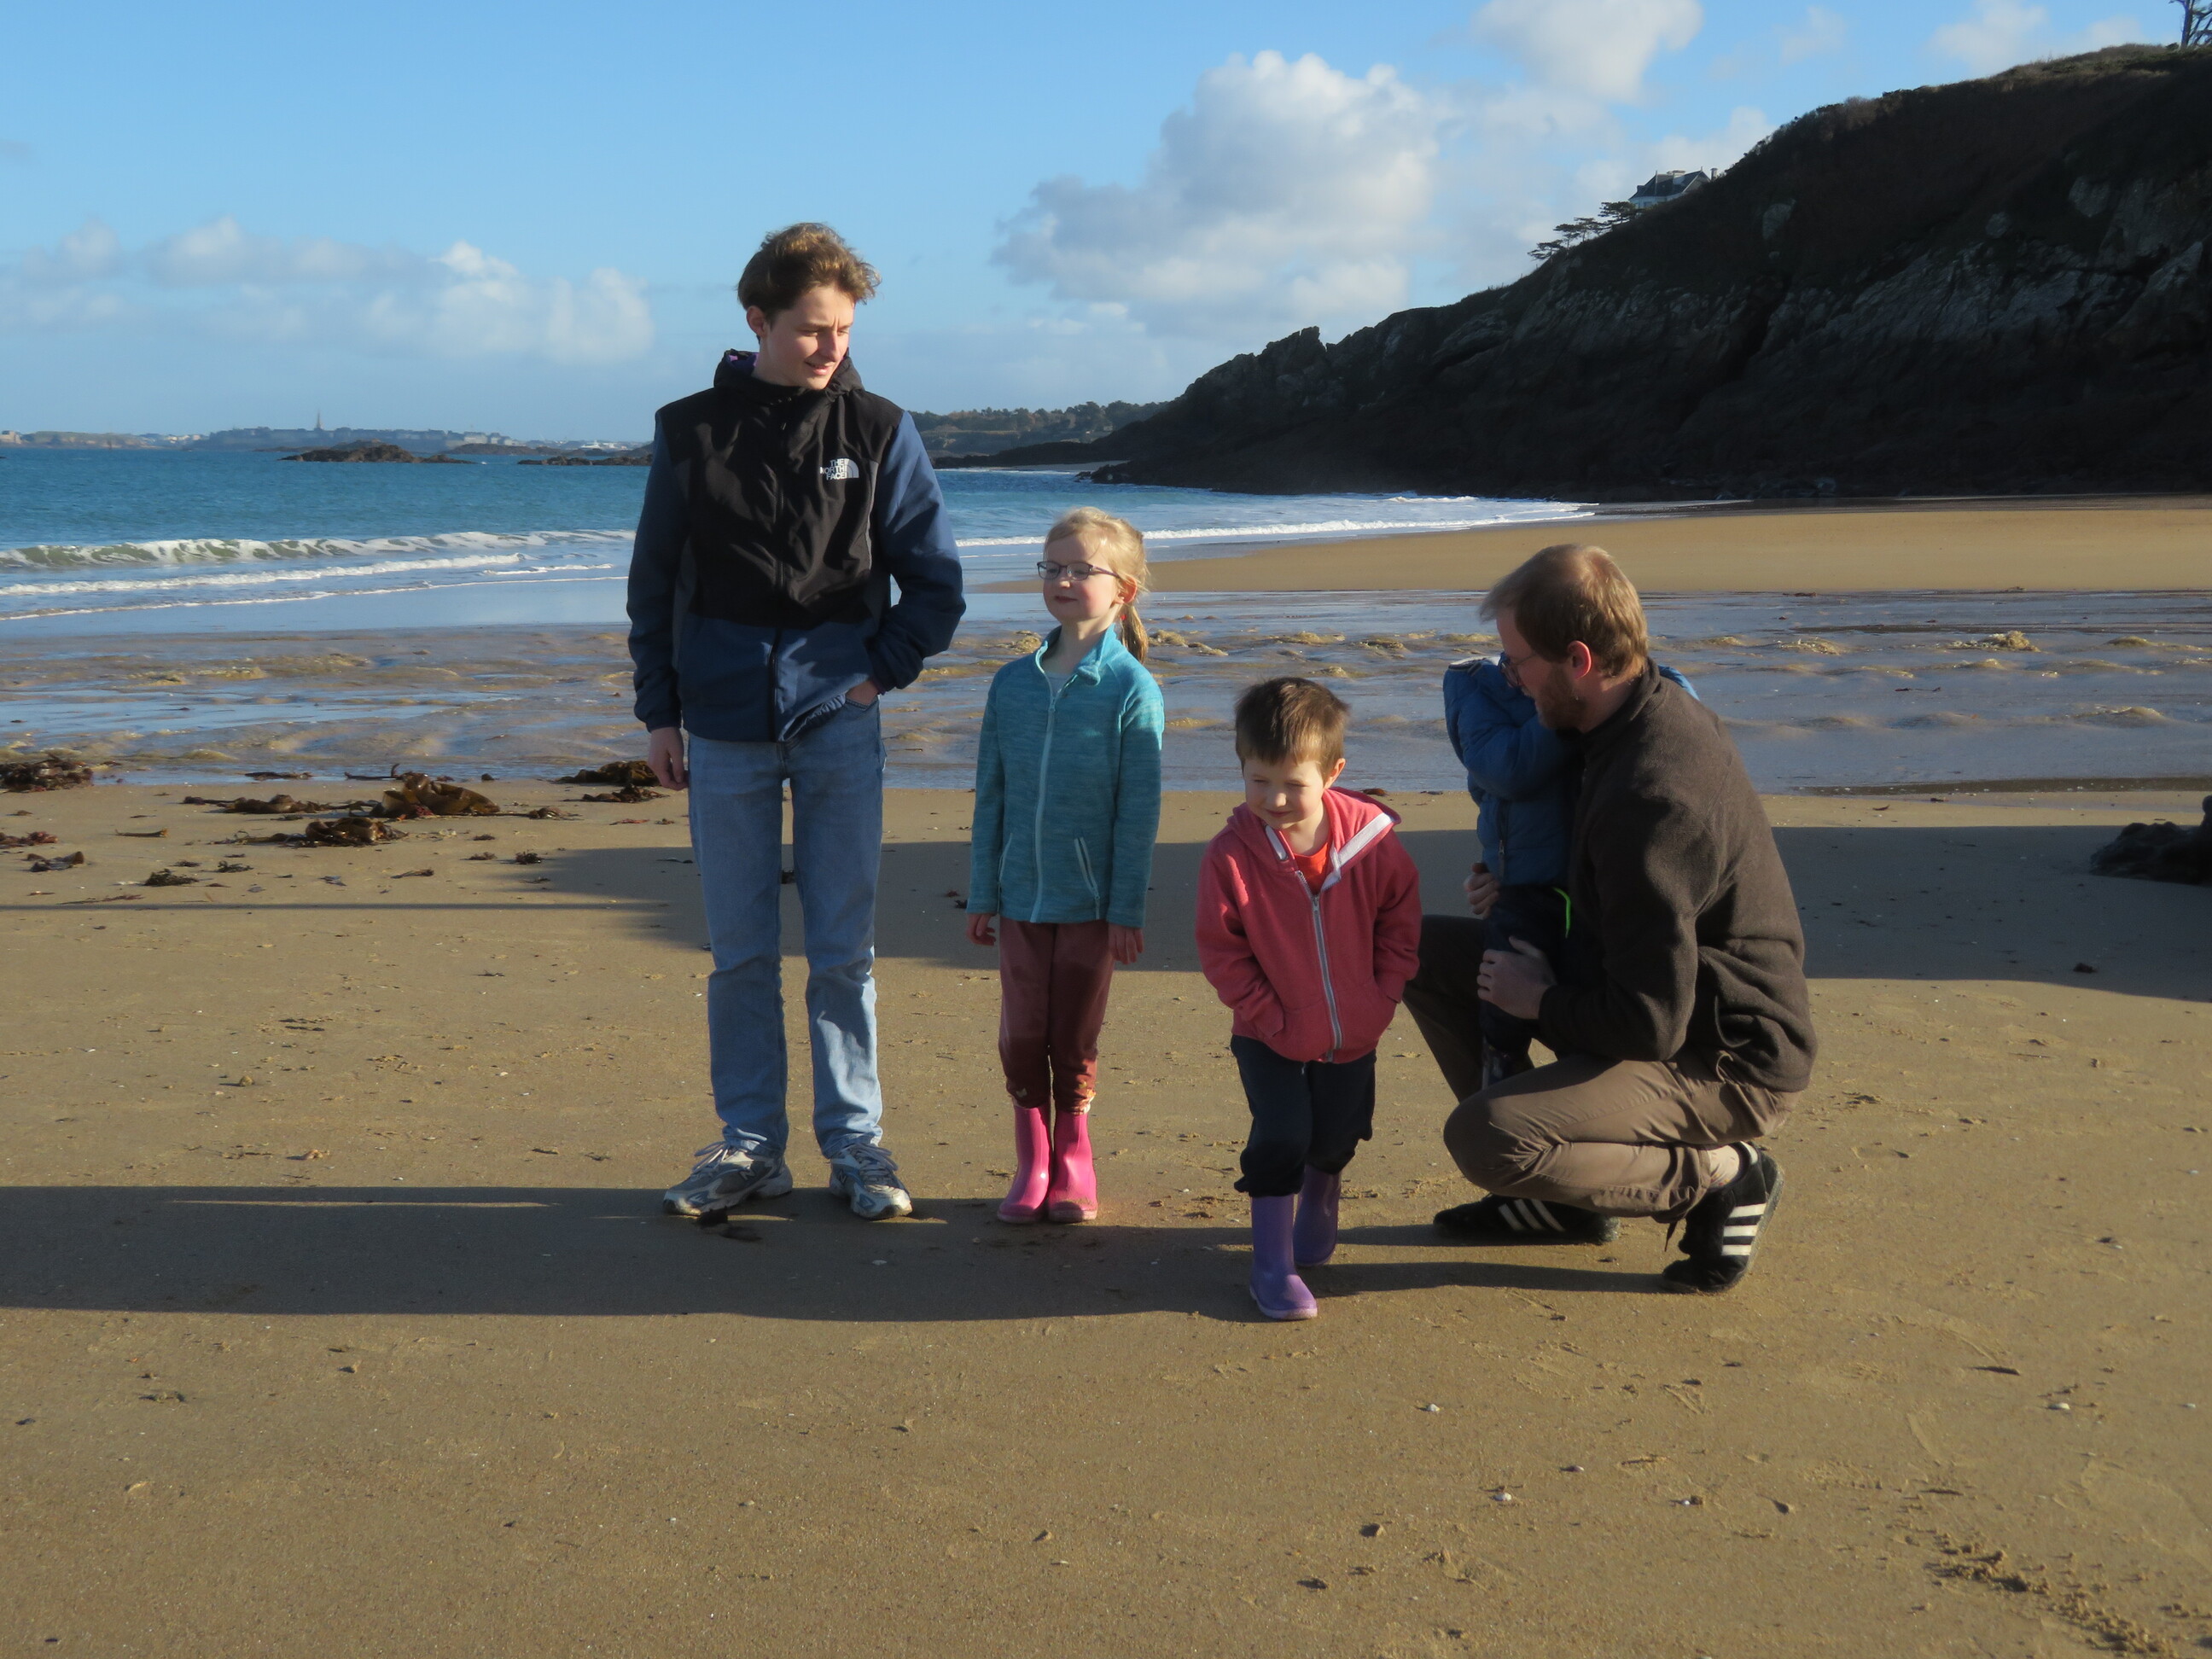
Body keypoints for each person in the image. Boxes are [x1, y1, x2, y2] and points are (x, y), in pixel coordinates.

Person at [630, 223, 965, 1223]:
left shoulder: (881, 429)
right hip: (722, 724)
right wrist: (660, 712)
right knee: (739, 953)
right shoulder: (689, 430)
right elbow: (654, 582)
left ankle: (855, 1144)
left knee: (842, 951)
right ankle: (750, 1146)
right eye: (814, 328)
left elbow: (935, 582)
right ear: (758, 320)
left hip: (838, 721)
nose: (832, 348)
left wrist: (875, 675)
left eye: (845, 330)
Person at [1405, 544, 1814, 1291]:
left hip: (1724, 1056)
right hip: (1643, 996)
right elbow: (1606, 878)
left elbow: (1650, 1023)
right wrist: (1518, 883)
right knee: (1420, 952)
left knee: (1488, 1138)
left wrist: (1538, 1000)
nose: (1512, 681)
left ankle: (1724, 1176)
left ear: (1579, 660)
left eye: (1519, 663)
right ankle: (1561, 1202)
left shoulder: (1652, 794)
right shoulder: (1626, 716)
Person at [1196, 679, 1423, 1320]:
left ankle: (1322, 1194)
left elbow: (1401, 924)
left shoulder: (1372, 846)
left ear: (1333, 773)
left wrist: (1383, 996)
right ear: (1241, 768)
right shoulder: (1230, 856)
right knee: (1281, 1135)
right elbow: (1222, 951)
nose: (1273, 799)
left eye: (1292, 784)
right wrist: (1271, 1017)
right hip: (1267, 1032)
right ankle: (1272, 1264)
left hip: (1356, 1027)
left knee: (1337, 1132)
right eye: (1258, 780)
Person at [964, 508, 1164, 1224]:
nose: (1065, 580)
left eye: (1083, 569)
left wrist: (1126, 908)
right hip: (1019, 894)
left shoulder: (1132, 690)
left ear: (1123, 590)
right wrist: (982, 891)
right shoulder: (1011, 684)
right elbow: (991, 795)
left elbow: (1138, 813)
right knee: (1022, 1033)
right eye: (1053, 567)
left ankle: (1075, 1154)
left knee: (1073, 1036)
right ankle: (1034, 1156)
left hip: (1092, 904)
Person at [1437, 649, 1697, 1094]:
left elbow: (1679, 711)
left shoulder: (1621, 686)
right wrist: (1563, 708)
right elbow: (1505, 772)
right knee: (1503, 976)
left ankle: (1585, 1087)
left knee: (1586, 986)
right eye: (1513, 663)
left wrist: (1589, 688)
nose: (1520, 678)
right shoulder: (1480, 687)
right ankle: (1500, 1065)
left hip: (1597, 884)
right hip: (1522, 880)